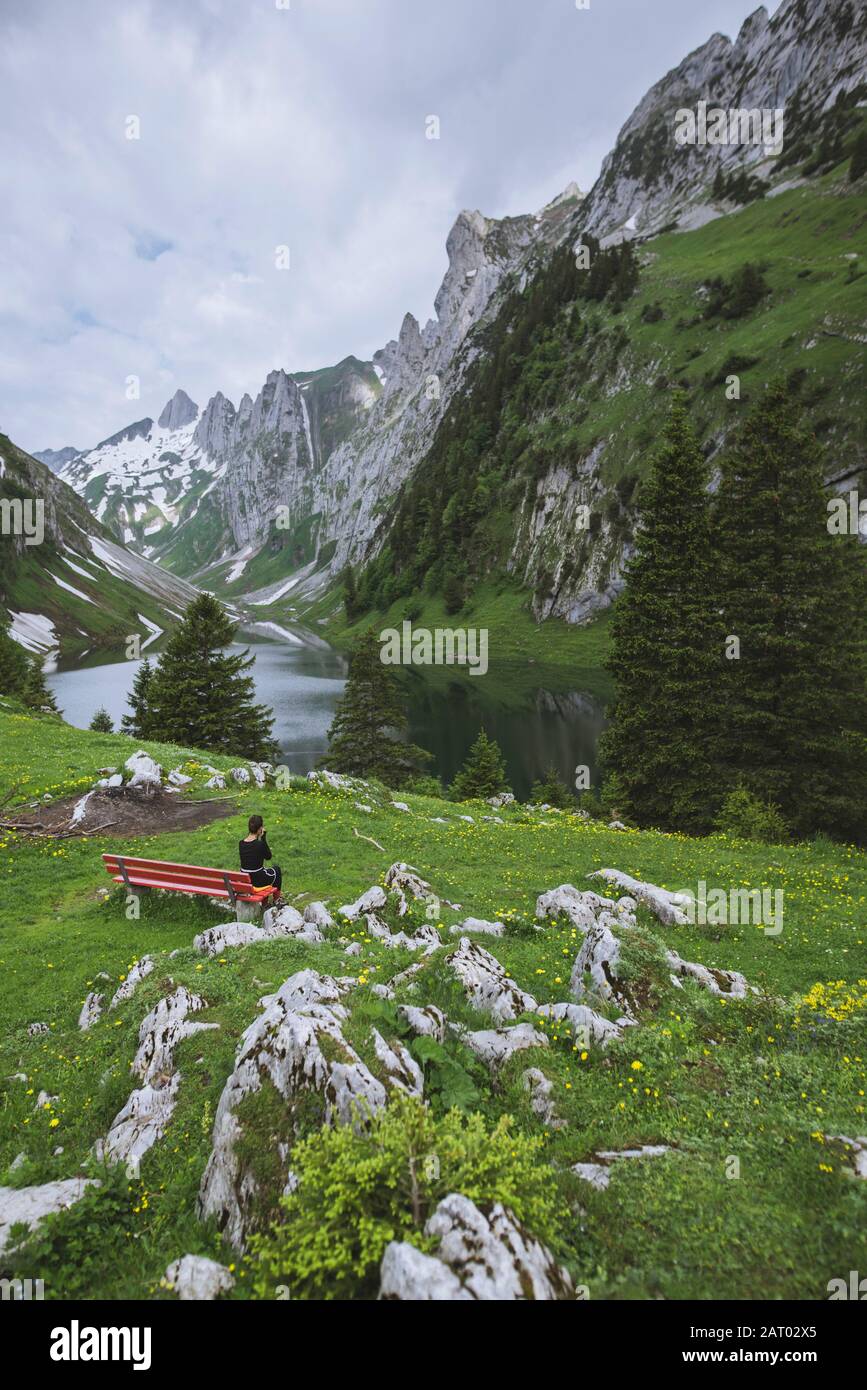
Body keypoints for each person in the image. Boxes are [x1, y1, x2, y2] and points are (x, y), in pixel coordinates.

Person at [239, 814, 282, 896]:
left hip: (246, 880)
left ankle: (265, 902)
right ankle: (277, 900)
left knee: (263, 871)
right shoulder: (259, 844)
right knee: (277, 870)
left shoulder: (241, 843)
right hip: (257, 880)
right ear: (260, 829)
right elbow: (268, 857)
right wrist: (263, 838)